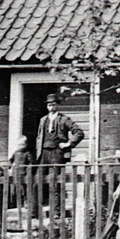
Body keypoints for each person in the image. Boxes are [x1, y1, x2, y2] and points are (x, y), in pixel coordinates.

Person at [34, 94, 85, 230]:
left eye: (54, 104)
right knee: (37, 181)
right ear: (47, 106)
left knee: (55, 183)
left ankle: (56, 213)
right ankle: (35, 212)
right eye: (49, 105)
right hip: (44, 153)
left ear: (57, 105)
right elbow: (39, 137)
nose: (51, 107)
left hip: (57, 153)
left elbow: (79, 133)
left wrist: (68, 144)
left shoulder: (64, 119)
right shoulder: (43, 120)